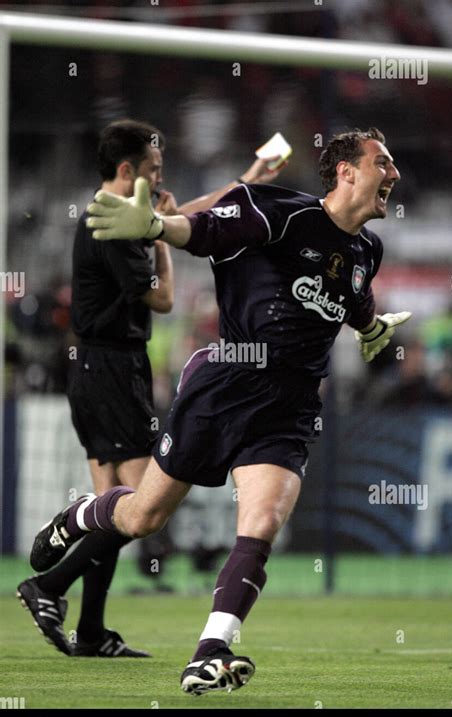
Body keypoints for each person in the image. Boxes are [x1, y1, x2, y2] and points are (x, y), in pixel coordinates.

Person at [30, 127, 411, 693]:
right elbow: (203, 229)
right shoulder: (277, 212)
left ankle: (210, 652)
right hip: (225, 388)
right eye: (384, 161)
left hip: (291, 408)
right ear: (347, 172)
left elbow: (352, 301)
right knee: (143, 517)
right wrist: (158, 227)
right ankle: (80, 517)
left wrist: (373, 328)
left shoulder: (366, 252)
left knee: (260, 528)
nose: (395, 174)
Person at [17, 118, 288, 658]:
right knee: (141, 510)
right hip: (112, 371)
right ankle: (47, 587)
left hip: (101, 370)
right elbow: (163, 297)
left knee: (113, 507)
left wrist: (248, 179)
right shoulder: (109, 225)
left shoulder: (119, 214)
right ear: (126, 171)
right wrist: (162, 243)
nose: (162, 180)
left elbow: (182, 215)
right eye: (154, 169)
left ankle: (90, 631)